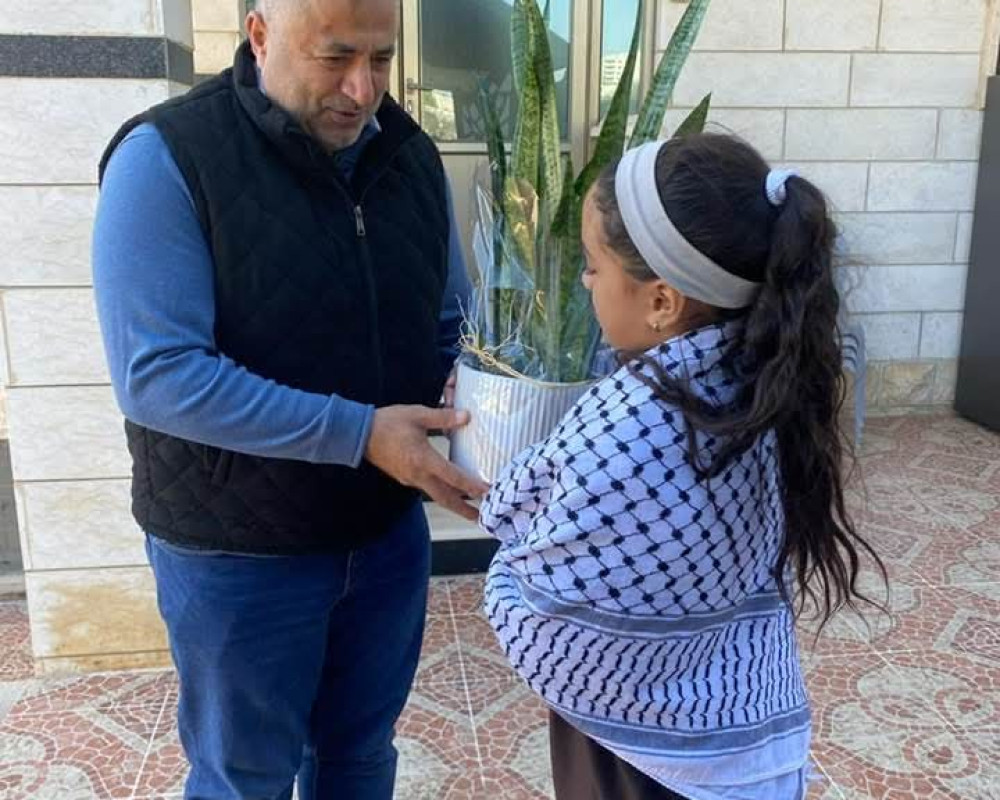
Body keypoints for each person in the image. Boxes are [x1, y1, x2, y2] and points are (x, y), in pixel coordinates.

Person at [91, 0, 489, 798]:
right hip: (238, 554)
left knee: (360, 757)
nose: (362, 89)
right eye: (335, 57)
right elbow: (158, 375)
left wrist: (476, 387)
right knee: (246, 778)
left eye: (381, 59)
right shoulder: (166, 157)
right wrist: (361, 433)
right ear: (260, 34)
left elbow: (451, 319)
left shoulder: (409, 156)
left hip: (383, 537)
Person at [479, 133, 886, 799]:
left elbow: (549, 621)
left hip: (640, 761)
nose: (585, 283)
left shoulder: (633, 429)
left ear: (662, 302)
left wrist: (503, 573)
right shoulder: (764, 378)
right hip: (742, 723)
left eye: (593, 267)